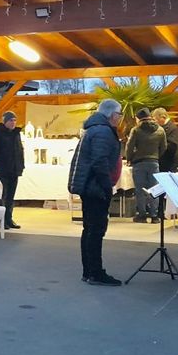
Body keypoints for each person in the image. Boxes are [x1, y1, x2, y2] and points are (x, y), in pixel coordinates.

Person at [68, 99, 123, 286]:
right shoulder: (103, 131)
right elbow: (100, 162)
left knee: (90, 229)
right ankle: (95, 273)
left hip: (89, 186)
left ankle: (89, 271)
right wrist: (107, 187)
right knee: (96, 230)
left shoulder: (94, 128)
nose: (120, 119)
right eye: (120, 115)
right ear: (113, 115)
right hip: (95, 188)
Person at [125, 108, 166, 224]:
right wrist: (156, 156)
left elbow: (129, 146)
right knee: (154, 189)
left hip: (139, 163)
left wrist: (130, 158)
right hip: (154, 162)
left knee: (140, 190)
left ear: (138, 118)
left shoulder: (136, 130)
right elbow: (164, 147)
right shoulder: (160, 130)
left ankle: (142, 215)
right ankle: (154, 216)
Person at [0, 110, 24, 229]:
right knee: (3, 195)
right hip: (3, 170)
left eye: (14, 120)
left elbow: (19, 150)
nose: (13, 122)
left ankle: (9, 218)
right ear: (5, 122)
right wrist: (2, 163)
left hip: (15, 169)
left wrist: (20, 165)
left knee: (11, 196)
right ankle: (2, 219)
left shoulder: (16, 134)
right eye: (10, 120)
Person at [151, 107, 178, 173]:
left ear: (162, 118)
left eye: (155, 120)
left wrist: (157, 145)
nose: (155, 122)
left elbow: (172, 146)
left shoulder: (172, 128)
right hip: (161, 165)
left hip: (169, 166)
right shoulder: (159, 128)